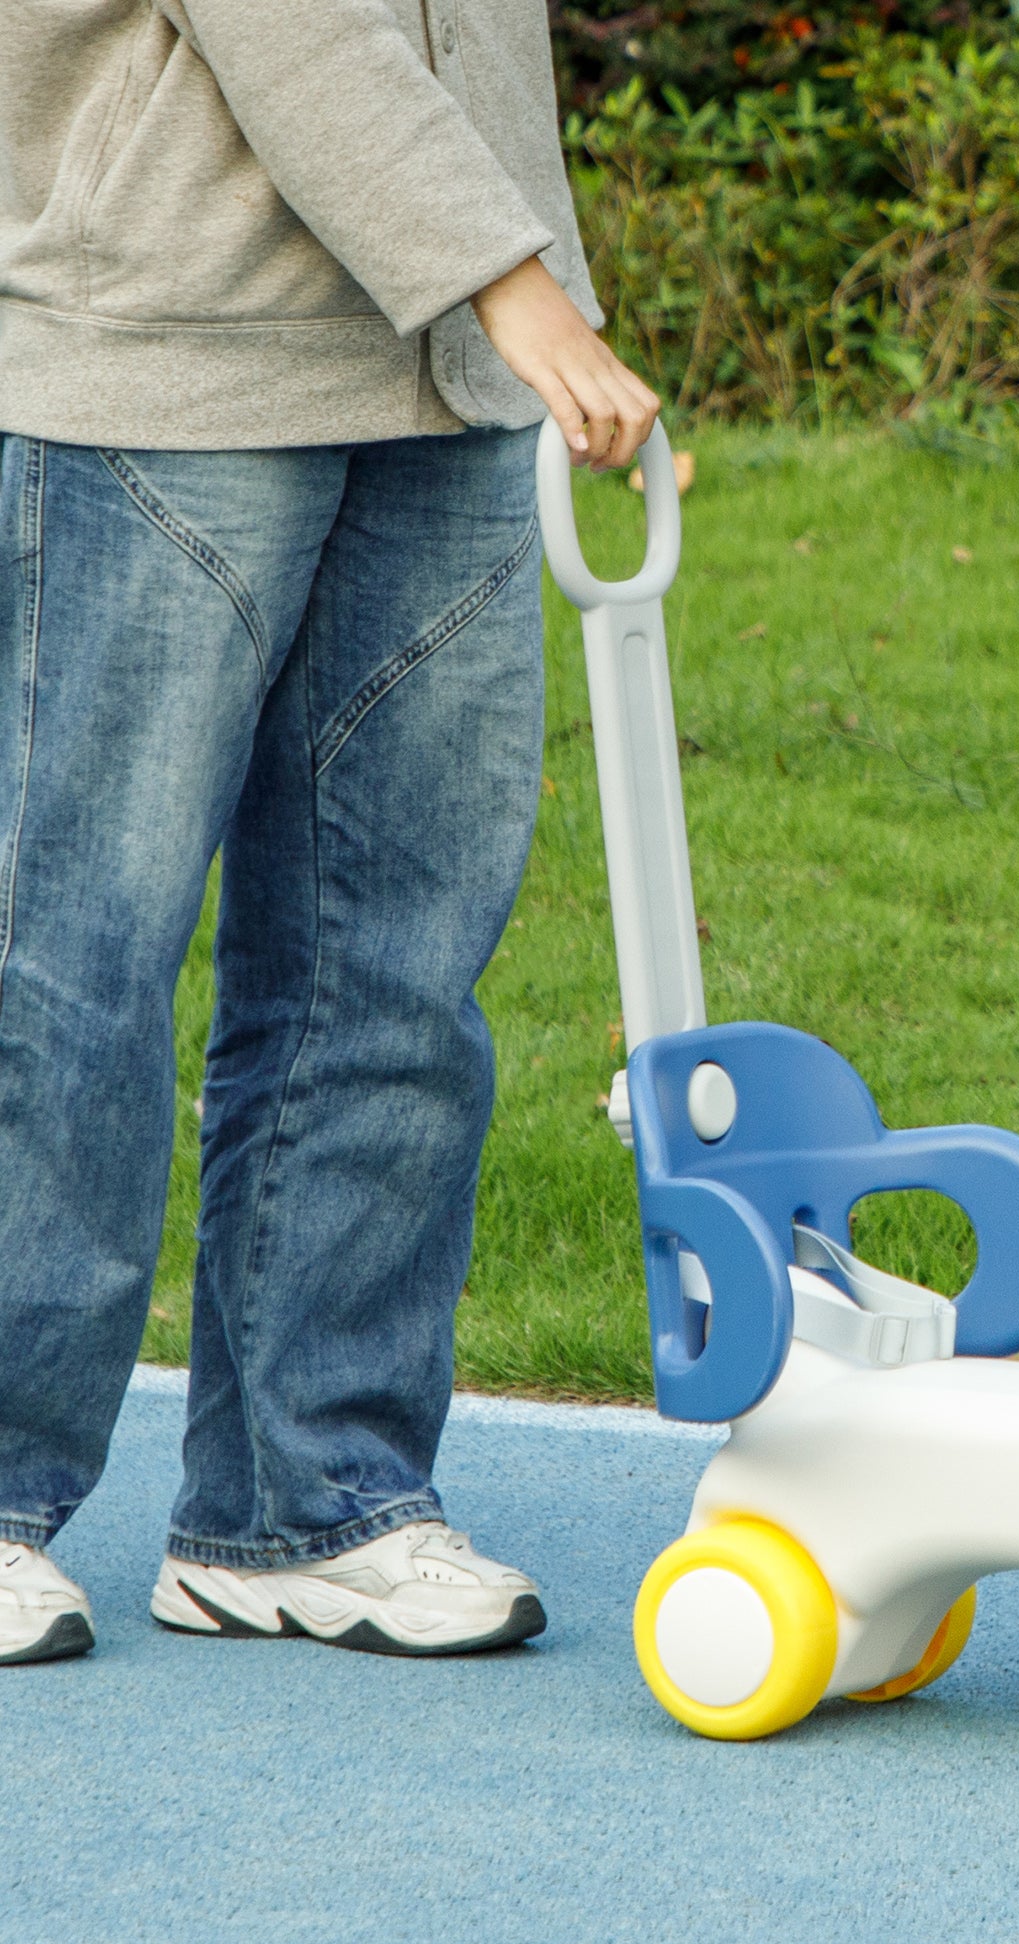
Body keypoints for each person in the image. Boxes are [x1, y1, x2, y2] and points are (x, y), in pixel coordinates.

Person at [0, 0, 660, 1663]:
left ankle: (311, 1505)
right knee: (71, 962)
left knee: (395, 970)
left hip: (443, 381)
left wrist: (519, 299)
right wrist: (514, 284)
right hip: (167, 354)